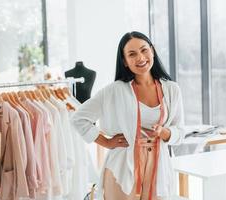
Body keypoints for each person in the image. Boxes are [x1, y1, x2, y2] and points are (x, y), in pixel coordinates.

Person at [72, 31, 185, 200]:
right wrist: (106, 142)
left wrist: (164, 132)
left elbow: (180, 132)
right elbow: (78, 118)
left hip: (158, 166)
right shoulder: (114, 90)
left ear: (152, 51)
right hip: (121, 166)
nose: (140, 57)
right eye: (132, 54)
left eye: (144, 50)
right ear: (124, 61)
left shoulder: (171, 89)